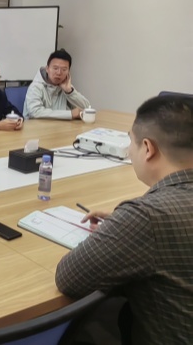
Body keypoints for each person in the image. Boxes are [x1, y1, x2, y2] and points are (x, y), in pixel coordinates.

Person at [55, 95, 193, 344]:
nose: (129, 151)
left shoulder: (146, 217)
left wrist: (128, 224)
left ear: (148, 149)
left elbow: (69, 278)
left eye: (131, 142)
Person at [24, 49, 90, 120]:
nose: (59, 73)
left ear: (68, 72)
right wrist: (70, 114)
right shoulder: (35, 87)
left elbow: (87, 108)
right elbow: (35, 112)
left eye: (64, 69)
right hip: (37, 126)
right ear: (47, 69)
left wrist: (69, 92)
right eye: (55, 68)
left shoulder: (66, 87)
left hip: (60, 126)